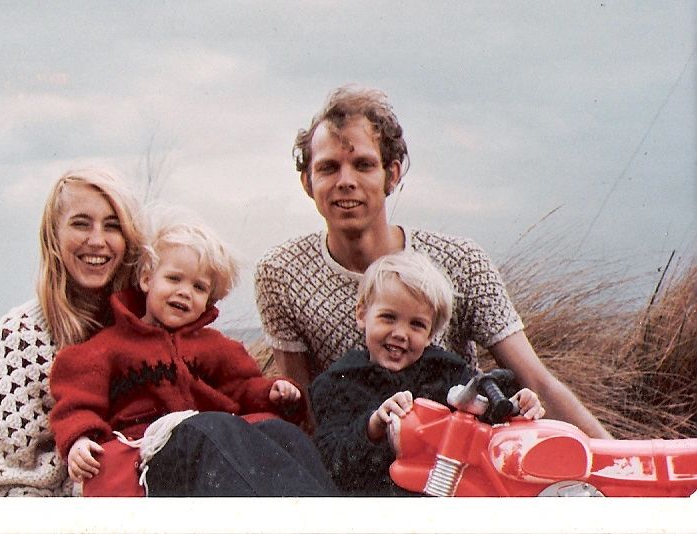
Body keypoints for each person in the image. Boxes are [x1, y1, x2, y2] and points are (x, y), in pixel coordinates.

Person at [255, 84, 611, 438]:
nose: (345, 181)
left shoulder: (461, 261)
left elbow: (538, 381)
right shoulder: (281, 273)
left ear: (391, 175)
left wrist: (629, 464)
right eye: (329, 168)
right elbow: (302, 413)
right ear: (307, 181)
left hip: (461, 453)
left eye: (363, 165)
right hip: (357, 461)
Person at [50, 218, 336, 496]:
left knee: (281, 433)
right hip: (149, 454)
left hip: (210, 449)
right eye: (174, 278)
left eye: (199, 287)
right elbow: (76, 402)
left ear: (209, 300)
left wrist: (272, 392)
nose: (184, 292)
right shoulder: (110, 347)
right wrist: (79, 439)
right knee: (209, 427)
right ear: (147, 279)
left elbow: (242, 387)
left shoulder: (216, 347)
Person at [0, 166, 146, 496]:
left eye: (113, 226)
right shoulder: (20, 337)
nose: (97, 241)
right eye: (80, 224)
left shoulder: (147, 326)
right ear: (53, 235)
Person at [310, 250, 544, 495]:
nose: (400, 333)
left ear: (431, 333)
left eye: (416, 324)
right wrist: (373, 426)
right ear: (362, 314)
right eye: (388, 318)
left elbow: (486, 411)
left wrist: (517, 405)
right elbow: (330, 463)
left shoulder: (446, 371)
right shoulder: (338, 382)